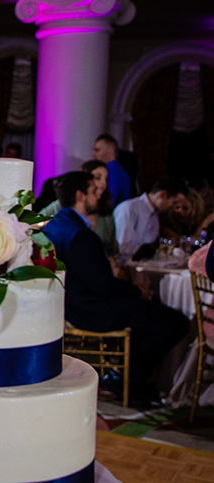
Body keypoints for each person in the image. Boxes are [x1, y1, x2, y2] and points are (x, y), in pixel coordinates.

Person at [44, 171, 190, 406]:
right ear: (81, 196)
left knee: (152, 314)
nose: (99, 196)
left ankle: (128, 379)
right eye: (94, 192)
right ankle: (130, 382)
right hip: (92, 310)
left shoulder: (58, 223)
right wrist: (136, 291)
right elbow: (102, 285)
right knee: (176, 322)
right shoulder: (79, 234)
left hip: (75, 303)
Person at [39, 160, 117, 255]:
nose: (103, 184)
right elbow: (34, 226)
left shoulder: (106, 212)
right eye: (98, 178)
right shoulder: (61, 206)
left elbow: (112, 250)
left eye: (106, 179)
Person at [113, 175, 188, 257]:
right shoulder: (129, 208)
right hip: (125, 265)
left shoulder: (155, 214)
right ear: (162, 195)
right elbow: (121, 247)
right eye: (173, 202)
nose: (172, 207)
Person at [93, 134, 133, 206]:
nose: (93, 154)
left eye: (97, 150)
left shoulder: (111, 172)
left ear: (111, 151)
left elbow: (108, 201)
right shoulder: (122, 172)